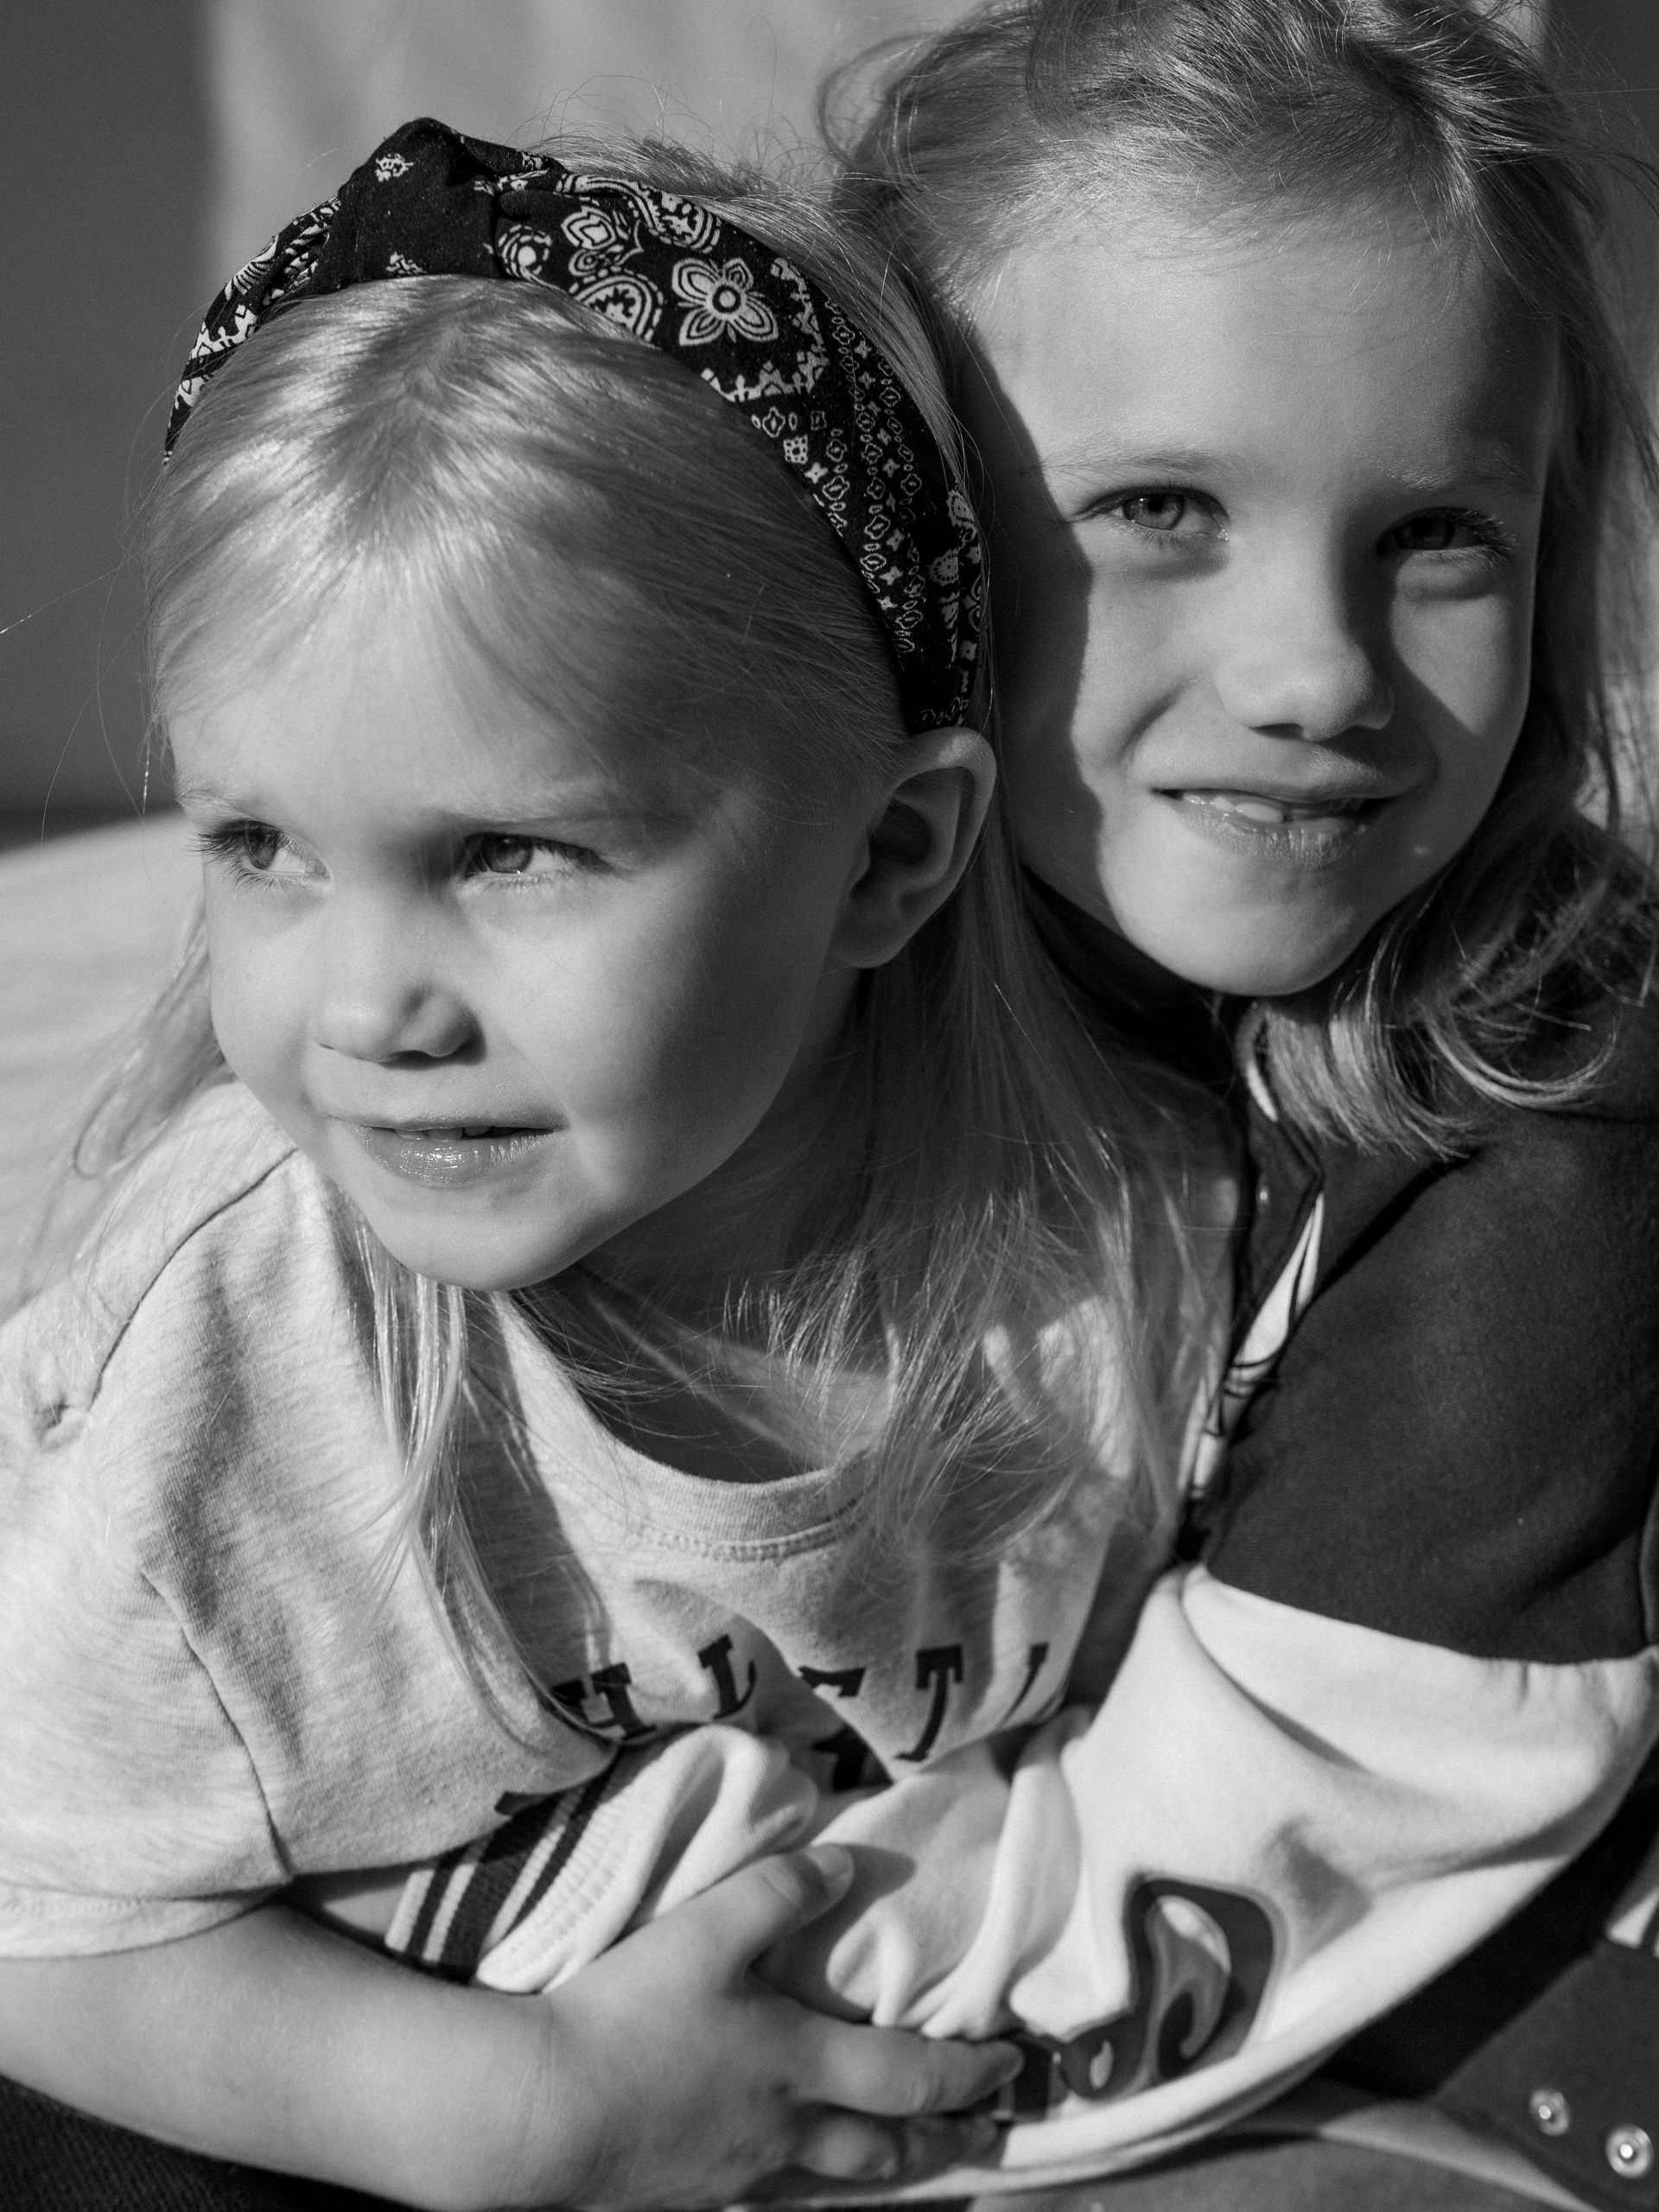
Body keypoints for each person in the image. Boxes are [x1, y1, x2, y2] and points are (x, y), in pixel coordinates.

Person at [0, 119, 1226, 2209]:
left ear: (891, 852)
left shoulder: (1113, 1236)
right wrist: (530, 2111)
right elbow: (39, 1915)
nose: (366, 1004)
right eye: (260, 844)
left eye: (509, 851)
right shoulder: (239, 1370)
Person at [814, 0, 1659, 2205]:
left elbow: (1266, 1855)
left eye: (1438, 535)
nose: (1316, 672)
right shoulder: (780, 999)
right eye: (1162, 507)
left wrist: (583, 2072)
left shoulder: (1549, 1091)